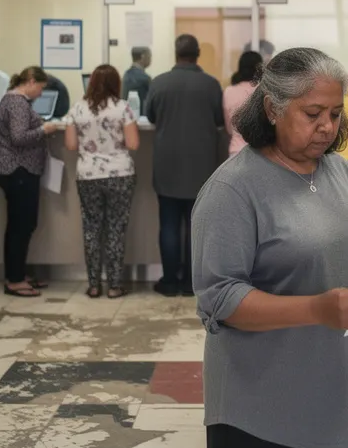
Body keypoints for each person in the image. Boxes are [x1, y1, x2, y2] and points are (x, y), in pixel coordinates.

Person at [192, 47, 348, 448]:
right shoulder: (234, 188)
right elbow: (221, 298)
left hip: (341, 393)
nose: (327, 127)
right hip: (264, 406)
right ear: (272, 108)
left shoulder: (340, 172)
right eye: (312, 114)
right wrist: (317, 309)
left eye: (333, 112)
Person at [144, 35, 224, 296]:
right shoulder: (211, 85)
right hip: (201, 166)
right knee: (196, 225)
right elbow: (218, 120)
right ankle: (191, 283)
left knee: (168, 224)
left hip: (167, 164)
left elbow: (151, 116)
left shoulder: (158, 83)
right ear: (198, 53)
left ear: (175, 53)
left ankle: (169, 281)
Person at [66, 64, 140, 299]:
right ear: (116, 84)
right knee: (116, 229)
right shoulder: (122, 108)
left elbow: (70, 145)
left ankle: (94, 285)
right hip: (119, 174)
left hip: (88, 175)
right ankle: (115, 286)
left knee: (91, 228)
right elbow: (133, 143)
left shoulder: (78, 108)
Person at [0, 66, 60, 297]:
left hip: (15, 169)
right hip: (18, 169)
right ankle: (15, 279)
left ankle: (17, 272)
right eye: (40, 88)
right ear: (30, 81)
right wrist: (45, 129)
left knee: (21, 225)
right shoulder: (18, 103)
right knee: (20, 227)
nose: (41, 94)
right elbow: (19, 137)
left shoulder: (13, 101)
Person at [223, 51, 263, 156]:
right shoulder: (263, 91)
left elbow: (229, 128)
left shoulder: (229, 91)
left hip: (236, 151)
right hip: (260, 152)